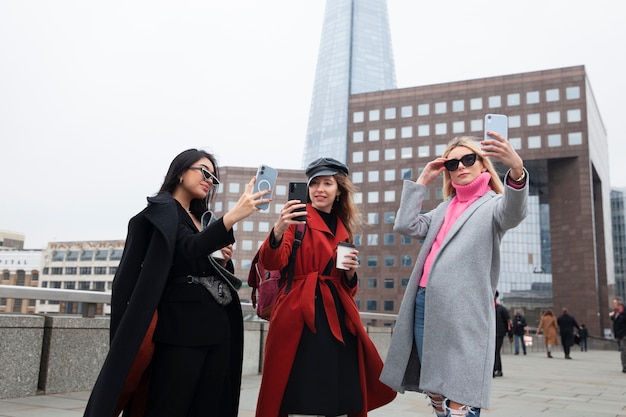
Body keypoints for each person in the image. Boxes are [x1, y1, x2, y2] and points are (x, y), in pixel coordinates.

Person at [84, 149, 271, 417]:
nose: (209, 180)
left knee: (209, 405)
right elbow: (187, 248)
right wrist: (233, 216)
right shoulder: (158, 213)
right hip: (180, 328)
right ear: (181, 172)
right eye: (204, 172)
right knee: (170, 403)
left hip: (218, 326)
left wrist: (223, 260)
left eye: (214, 178)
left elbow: (202, 258)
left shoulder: (204, 218)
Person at [380, 133, 528, 417]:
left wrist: (517, 170)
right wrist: (423, 180)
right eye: (452, 163)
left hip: (465, 312)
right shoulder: (444, 208)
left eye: (468, 159)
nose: (461, 166)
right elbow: (405, 225)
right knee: (434, 384)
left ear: (483, 164)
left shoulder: (493, 205)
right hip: (424, 303)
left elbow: (513, 213)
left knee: (461, 394)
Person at [254, 157, 396, 417]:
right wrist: (279, 228)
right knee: (294, 390)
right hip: (297, 312)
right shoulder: (296, 220)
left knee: (338, 391)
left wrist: (351, 274)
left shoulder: (345, 229)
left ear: (339, 189)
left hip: (337, 317)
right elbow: (272, 260)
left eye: (327, 183)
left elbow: (346, 288)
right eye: (315, 183)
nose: (320, 189)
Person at [493, 291, 512, 377]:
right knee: (493, 352)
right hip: (490, 334)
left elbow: (508, 323)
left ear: (496, 296)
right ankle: (496, 369)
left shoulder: (501, 309)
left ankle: (496, 369)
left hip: (499, 333)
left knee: (496, 351)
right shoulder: (487, 308)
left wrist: (510, 334)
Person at [609, 297, 626, 372]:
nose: (613, 305)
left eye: (614, 303)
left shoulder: (624, 311)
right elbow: (616, 322)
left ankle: (625, 366)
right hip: (619, 335)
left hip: (624, 334)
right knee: (623, 350)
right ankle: (624, 366)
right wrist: (612, 317)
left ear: (619, 304)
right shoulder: (616, 312)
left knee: (624, 350)